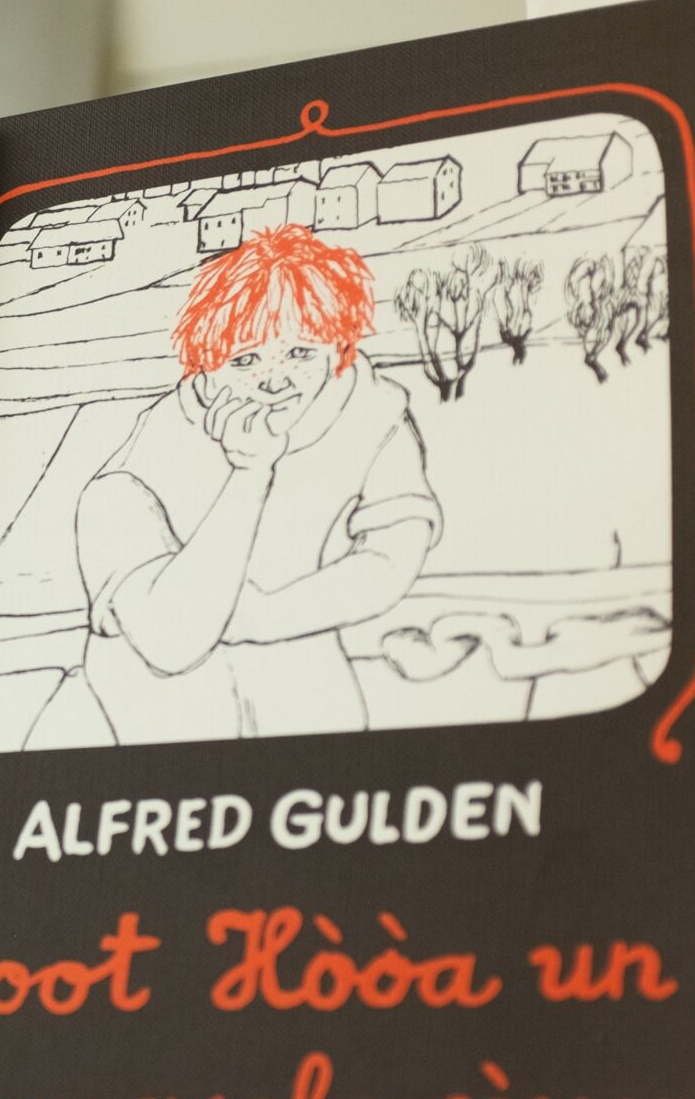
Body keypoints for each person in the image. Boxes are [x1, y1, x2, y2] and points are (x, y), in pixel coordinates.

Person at [73, 223, 443, 743]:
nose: (274, 380)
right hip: (162, 700)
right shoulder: (144, 461)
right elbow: (170, 641)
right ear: (205, 364)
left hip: (300, 664)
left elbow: (391, 555)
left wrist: (267, 618)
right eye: (245, 360)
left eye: (300, 353)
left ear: (338, 348)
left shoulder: (372, 411)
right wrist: (249, 472)